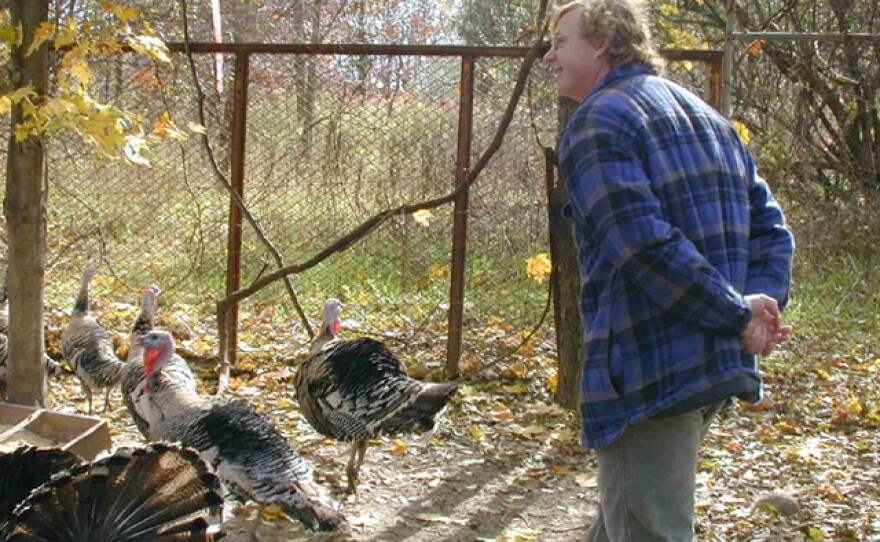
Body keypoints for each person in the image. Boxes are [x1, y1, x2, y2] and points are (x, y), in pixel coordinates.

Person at [543, 0, 795, 540]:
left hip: (650, 373)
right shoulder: (709, 117)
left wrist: (740, 315)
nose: (548, 55)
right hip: (710, 365)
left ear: (604, 42)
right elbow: (771, 232)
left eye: (560, 41)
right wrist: (758, 304)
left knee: (645, 526)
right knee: (623, 521)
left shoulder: (597, 122)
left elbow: (643, 248)